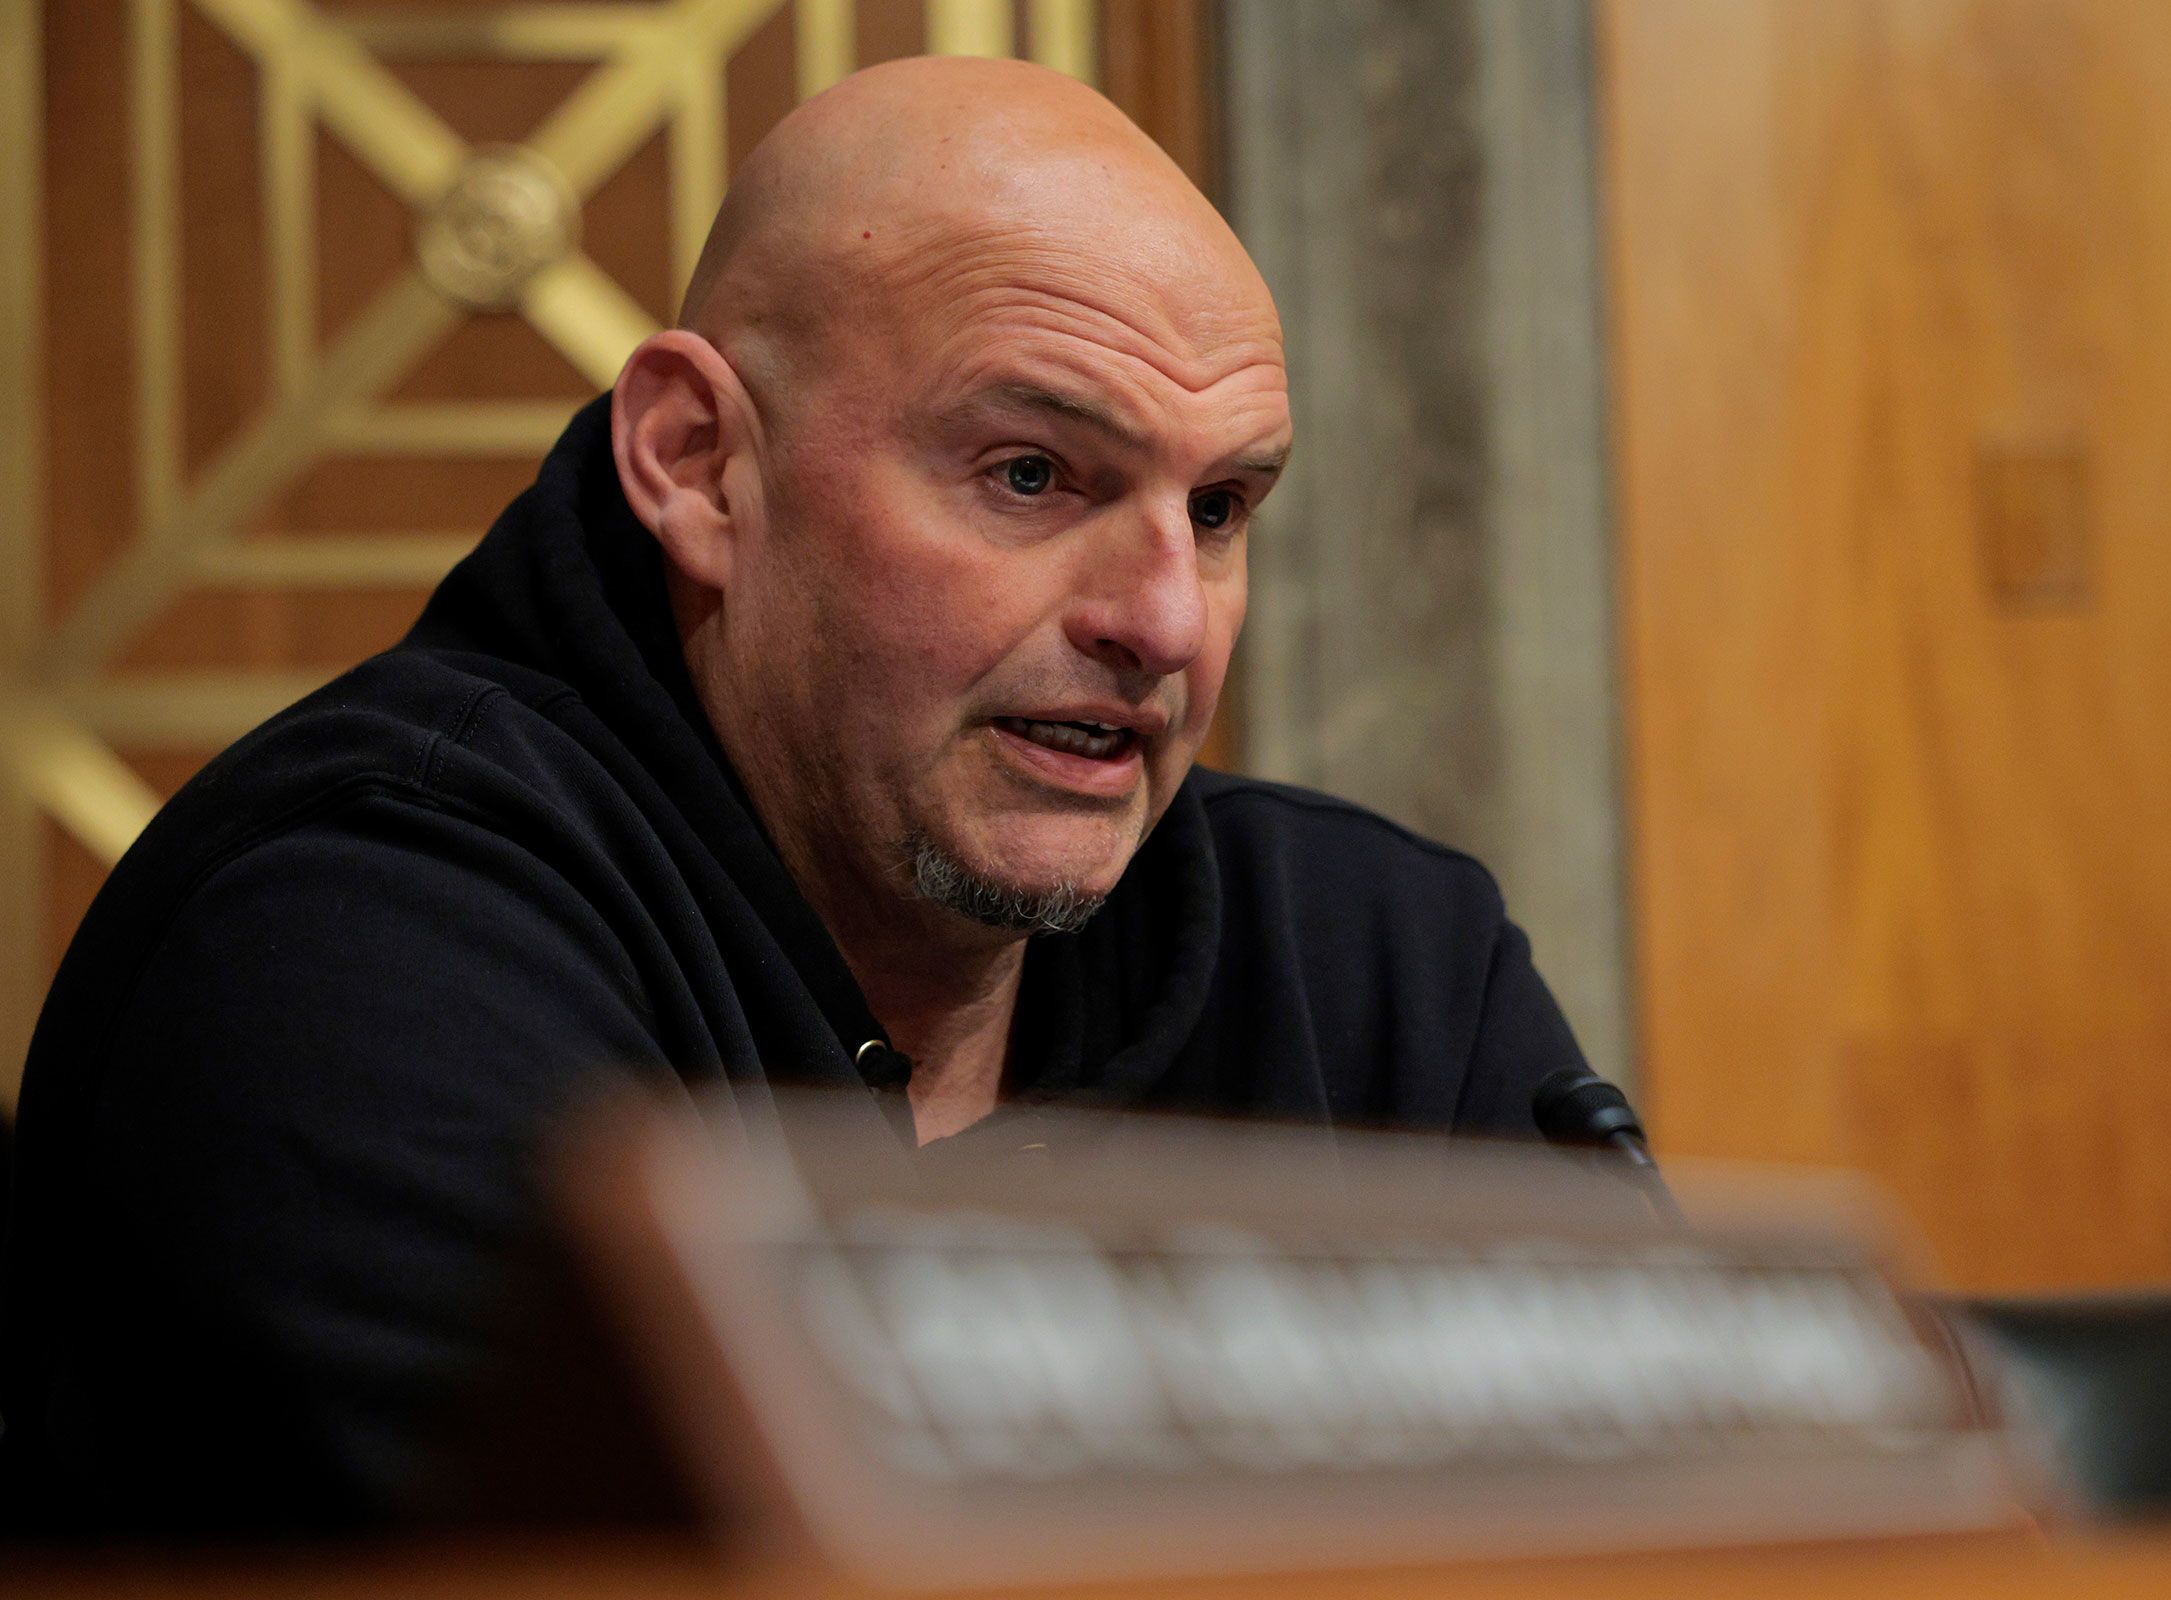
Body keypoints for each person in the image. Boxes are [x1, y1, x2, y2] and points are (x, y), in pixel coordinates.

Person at [0, 57, 1599, 1537]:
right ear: (698, 464)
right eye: (1033, 474)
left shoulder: (1389, 964)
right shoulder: (349, 954)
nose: (1167, 621)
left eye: (1224, 504)